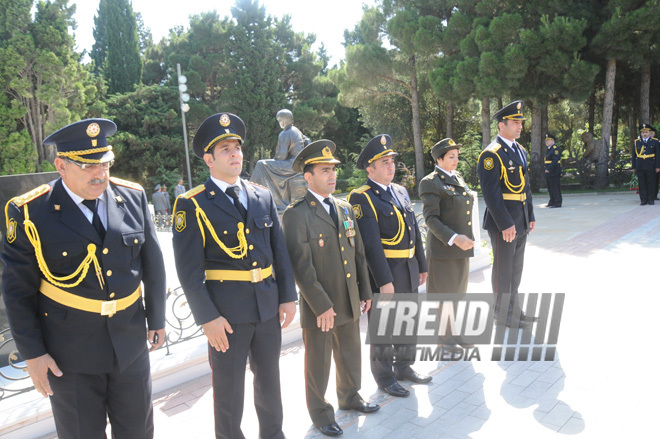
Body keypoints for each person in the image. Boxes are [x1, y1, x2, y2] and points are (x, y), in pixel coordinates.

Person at [1, 118, 167, 438]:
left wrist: (157, 320)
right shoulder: (29, 212)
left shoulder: (131, 196)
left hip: (129, 346)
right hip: (69, 355)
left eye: (105, 162)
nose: (100, 173)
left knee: (138, 432)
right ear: (61, 165)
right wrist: (33, 355)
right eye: (87, 165)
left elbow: (153, 266)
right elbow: (17, 291)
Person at [171, 112, 297, 439]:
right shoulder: (192, 204)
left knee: (269, 382)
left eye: (237, 147)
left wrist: (287, 297)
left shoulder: (261, 195)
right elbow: (188, 272)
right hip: (227, 316)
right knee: (229, 391)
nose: (235, 154)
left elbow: (278, 252)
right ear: (208, 159)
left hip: (267, 308)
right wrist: (207, 318)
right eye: (225, 148)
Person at [282, 140, 379, 437]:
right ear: (307, 177)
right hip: (320, 303)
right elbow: (301, 267)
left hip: (348, 294)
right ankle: (321, 413)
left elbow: (358, 253)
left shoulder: (345, 208)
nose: (332, 175)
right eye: (325, 170)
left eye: (333, 169)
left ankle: (349, 396)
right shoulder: (297, 214)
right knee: (319, 361)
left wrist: (364, 291)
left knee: (350, 351)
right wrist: (320, 304)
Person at [347, 134, 430, 399]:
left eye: (392, 160)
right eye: (384, 162)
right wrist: (384, 281)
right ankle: (384, 377)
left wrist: (422, 264)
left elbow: (414, 230)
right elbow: (370, 245)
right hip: (385, 273)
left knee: (408, 322)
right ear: (370, 169)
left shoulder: (401, 191)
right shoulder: (362, 197)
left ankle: (404, 367)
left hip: (408, 267)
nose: (391, 166)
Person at [477, 101, 537, 328]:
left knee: (516, 268)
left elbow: (526, 187)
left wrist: (530, 214)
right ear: (502, 125)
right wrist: (505, 224)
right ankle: (502, 314)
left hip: (520, 217)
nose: (520, 126)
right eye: (515, 122)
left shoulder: (519, 150)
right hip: (504, 222)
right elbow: (491, 195)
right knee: (503, 269)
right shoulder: (491, 155)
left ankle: (515, 310)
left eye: (521, 122)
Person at [419, 138, 475, 350]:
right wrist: (454, 238)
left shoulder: (457, 177)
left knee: (458, 293)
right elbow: (431, 218)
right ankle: (444, 339)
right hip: (443, 250)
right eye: (451, 157)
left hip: (462, 249)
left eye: (457, 156)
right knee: (444, 296)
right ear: (439, 159)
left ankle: (455, 333)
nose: (456, 160)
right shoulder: (430, 182)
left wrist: (464, 240)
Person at [250, 109, 309, 210]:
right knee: (265, 165)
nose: (279, 123)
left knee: (261, 164)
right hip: (298, 164)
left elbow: (281, 156)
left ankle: (252, 191)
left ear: (284, 120)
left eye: (279, 120)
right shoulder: (296, 130)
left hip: (291, 164)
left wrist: (275, 160)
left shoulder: (285, 133)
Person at [632, 123, 660, 205]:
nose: (645, 134)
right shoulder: (636, 142)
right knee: (642, 183)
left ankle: (651, 199)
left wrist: (658, 166)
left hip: (651, 165)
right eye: (643, 132)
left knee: (651, 183)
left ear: (649, 133)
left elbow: (658, 155)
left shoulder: (655, 142)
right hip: (640, 165)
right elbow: (634, 155)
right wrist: (634, 166)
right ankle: (643, 200)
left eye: (646, 132)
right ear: (641, 133)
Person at [544, 133, 562, 208]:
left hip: (554, 171)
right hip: (549, 171)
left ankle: (557, 202)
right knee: (550, 187)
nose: (546, 142)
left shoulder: (555, 149)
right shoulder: (549, 149)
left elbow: (555, 161)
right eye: (546, 141)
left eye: (548, 140)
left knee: (555, 187)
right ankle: (552, 201)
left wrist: (549, 169)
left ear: (552, 140)